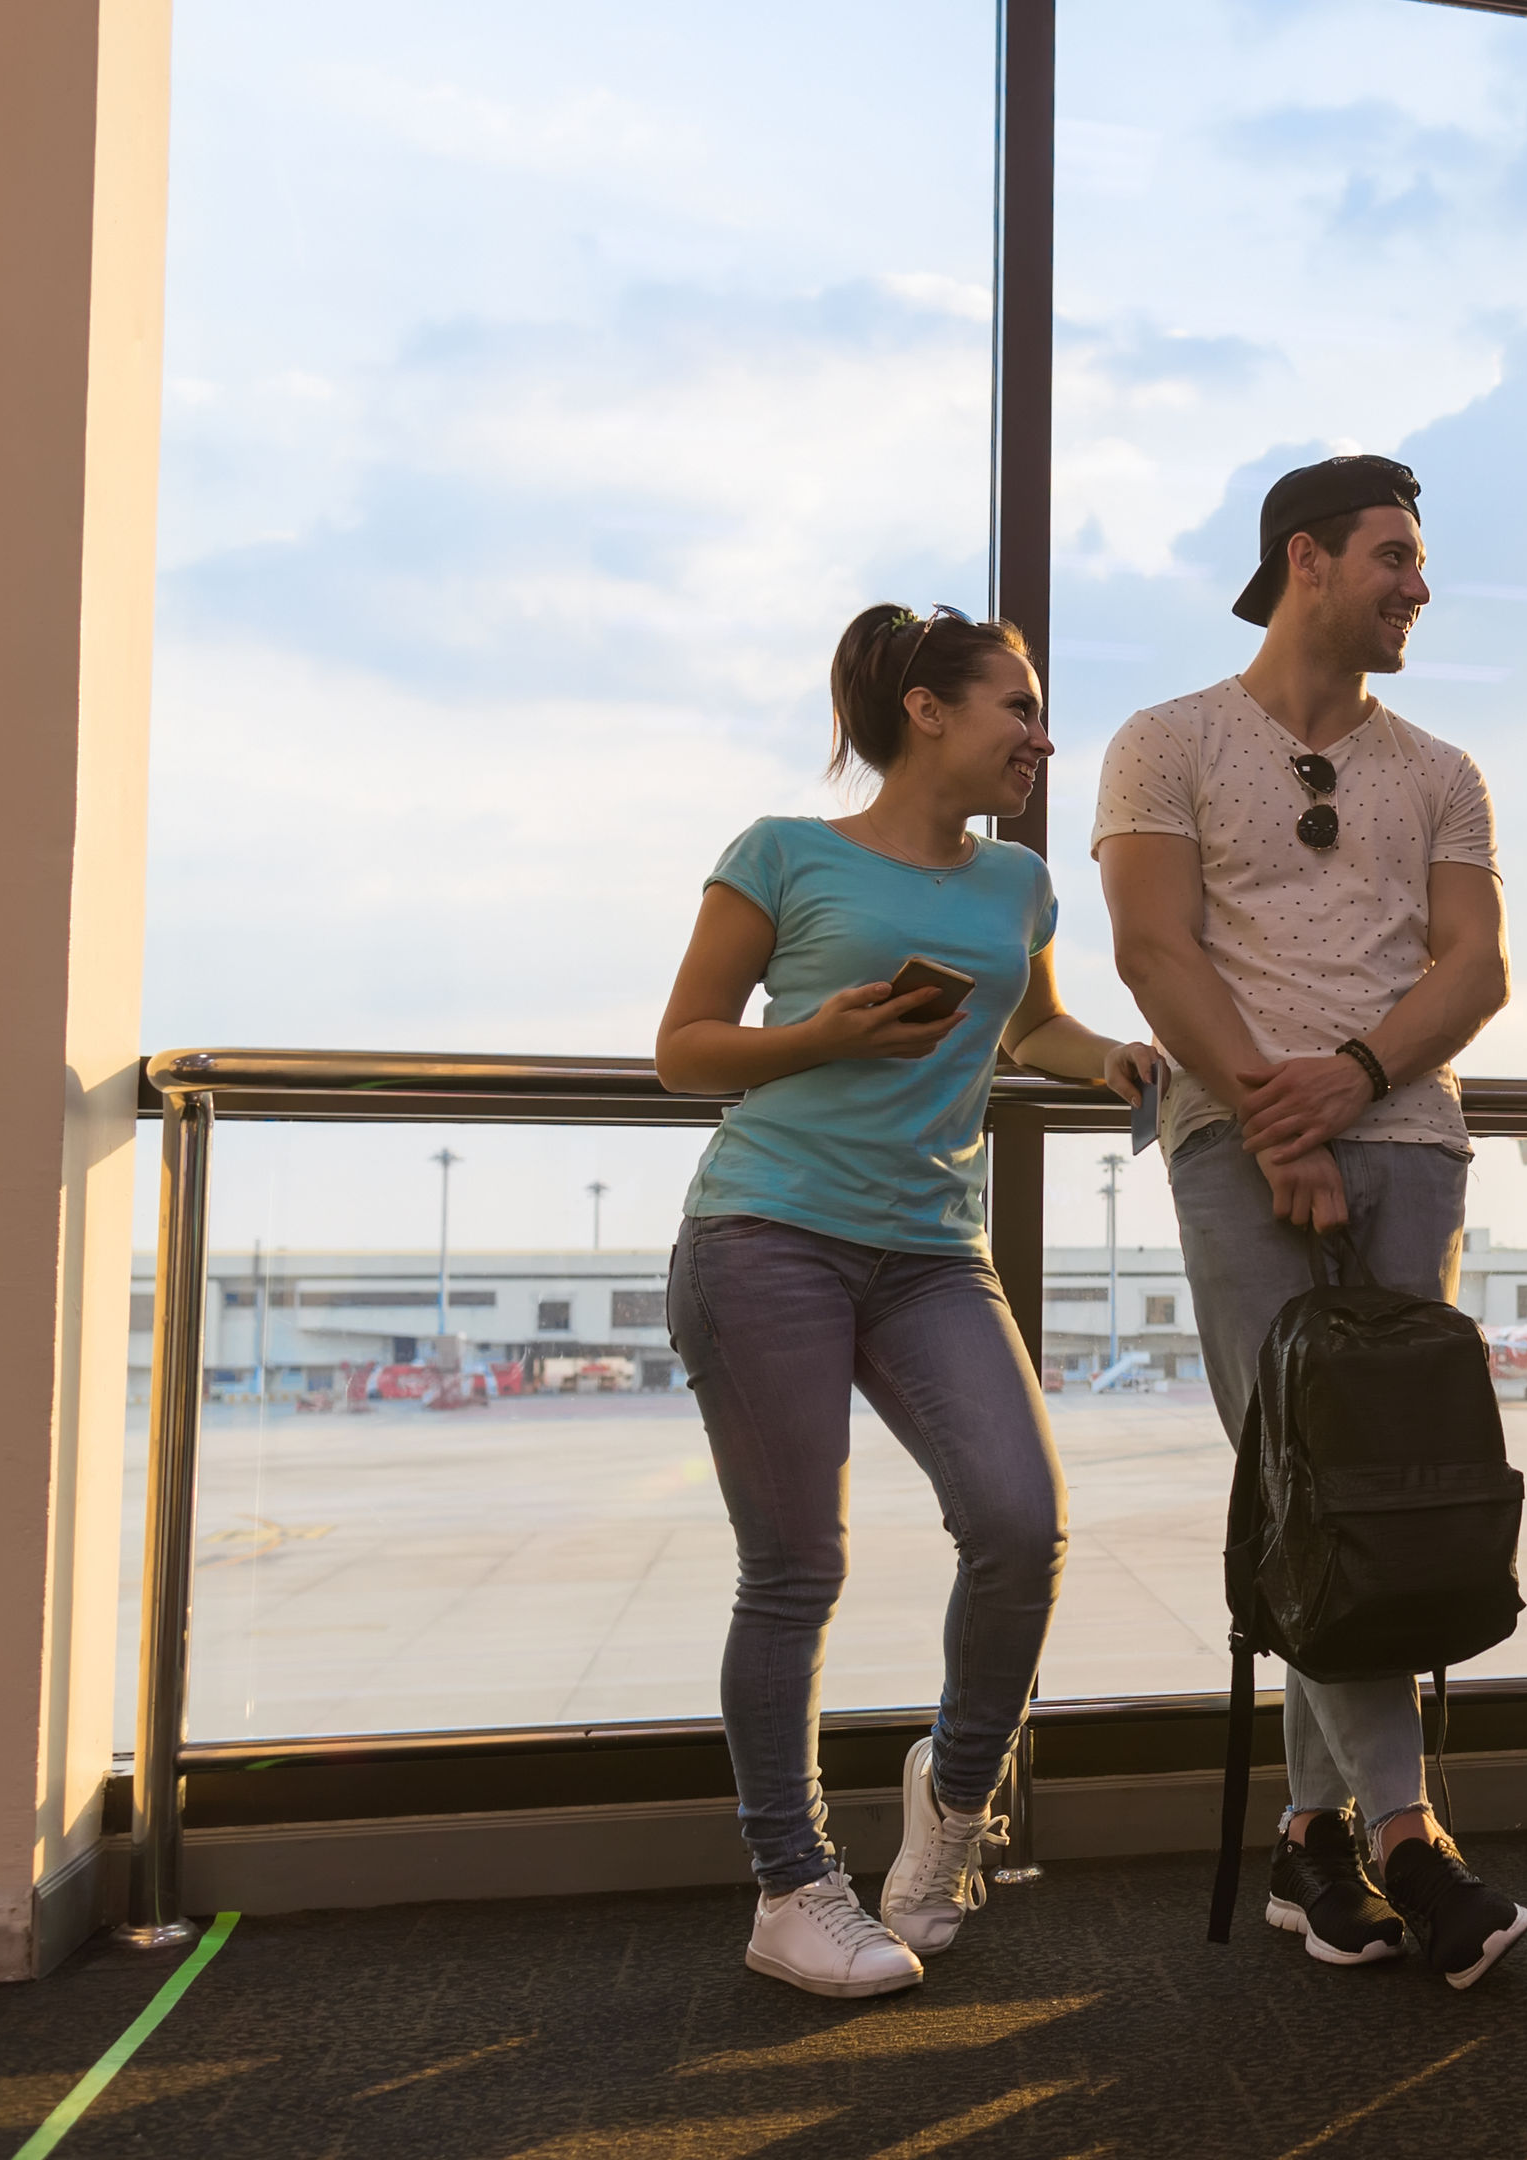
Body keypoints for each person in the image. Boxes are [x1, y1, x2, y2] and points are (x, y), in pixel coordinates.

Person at [655, 604, 1160, 1998]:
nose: (1041, 735)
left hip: (935, 1248)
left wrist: (1106, 1053)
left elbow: (1029, 1022)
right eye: (1017, 706)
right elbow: (683, 1049)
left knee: (1020, 1524)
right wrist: (824, 1034)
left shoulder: (1017, 885)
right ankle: (790, 1886)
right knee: (797, 1571)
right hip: (769, 1232)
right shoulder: (784, 854)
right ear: (926, 711)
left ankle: (951, 1805)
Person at [1092, 453, 1527, 1990]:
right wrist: (1268, 1111)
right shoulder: (1164, 742)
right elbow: (1152, 946)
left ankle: (1308, 1836)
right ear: (1307, 559)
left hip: (1406, 1137)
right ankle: (1411, 1838)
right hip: (1234, 1142)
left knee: (1375, 1494)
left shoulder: (1445, 769)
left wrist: (1343, 1087)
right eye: (1395, 555)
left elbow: (1474, 972)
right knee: (1305, 1476)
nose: (1419, 584)